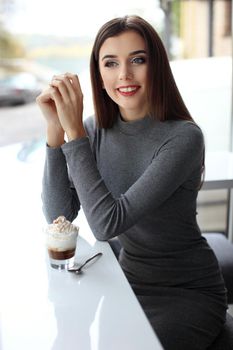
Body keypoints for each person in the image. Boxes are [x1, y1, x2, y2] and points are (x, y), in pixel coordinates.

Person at [37, 15, 227, 350]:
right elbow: (58, 213)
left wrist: (75, 134)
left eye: (137, 60)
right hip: (124, 281)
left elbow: (108, 224)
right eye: (110, 63)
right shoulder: (94, 132)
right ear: (99, 74)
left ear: (157, 67)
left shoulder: (183, 138)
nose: (124, 75)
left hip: (185, 292)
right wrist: (56, 133)